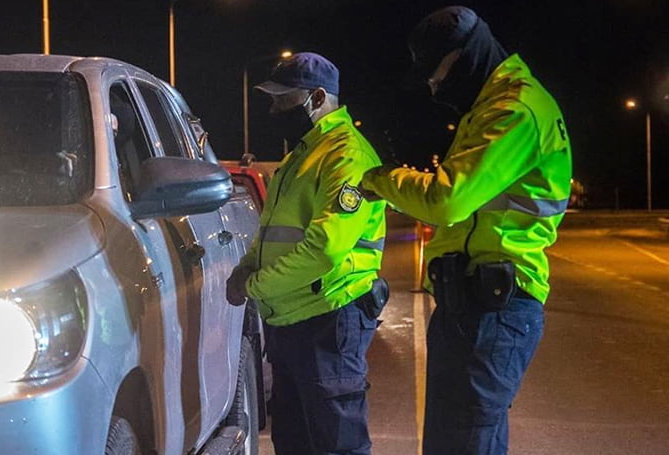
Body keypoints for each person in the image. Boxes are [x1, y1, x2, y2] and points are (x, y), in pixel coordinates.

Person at [359, 6, 572, 454]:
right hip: (473, 303)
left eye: (436, 73)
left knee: (461, 443)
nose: (434, 87)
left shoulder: (514, 110)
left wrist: (379, 179)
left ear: (465, 57)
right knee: (461, 441)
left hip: (494, 308)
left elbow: (447, 200)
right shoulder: (494, 106)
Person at [226, 52, 387, 455]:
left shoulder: (346, 156)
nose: (273, 109)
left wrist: (255, 285)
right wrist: (247, 267)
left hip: (328, 320)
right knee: (295, 442)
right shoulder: (302, 154)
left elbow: (325, 249)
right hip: (293, 321)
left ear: (317, 98)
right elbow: (273, 234)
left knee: (336, 444)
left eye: (283, 99)